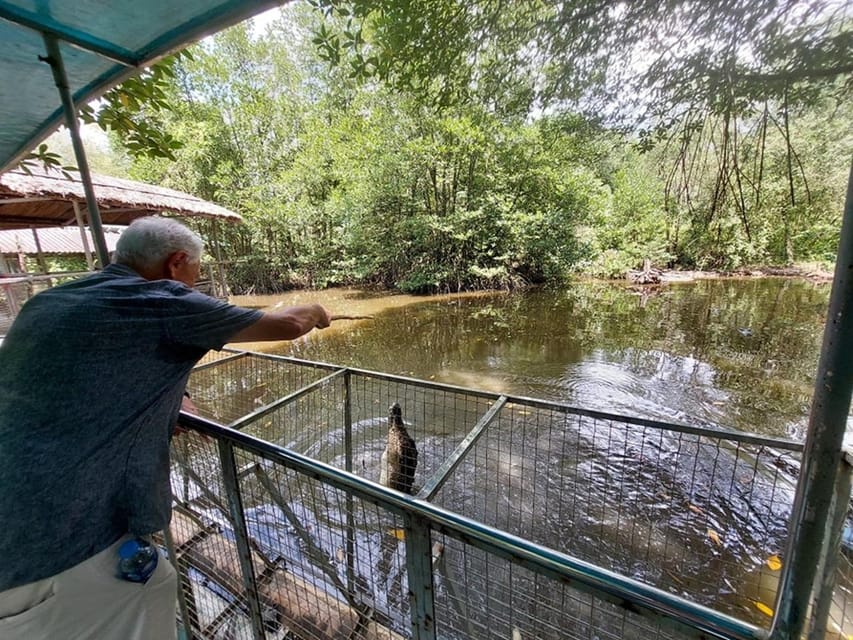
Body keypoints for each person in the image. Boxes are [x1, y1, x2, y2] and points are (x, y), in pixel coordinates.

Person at [0, 216, 331, 639]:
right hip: (54, 545)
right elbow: (286, 325)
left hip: (15, 526)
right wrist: (318, 310)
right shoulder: (163, 299)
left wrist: (172, 402)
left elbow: (91, 378)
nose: (195, 280)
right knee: (151, 598)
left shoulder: (48, 302)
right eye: (196, 270)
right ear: (176, 263)